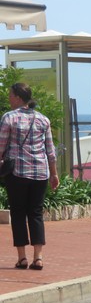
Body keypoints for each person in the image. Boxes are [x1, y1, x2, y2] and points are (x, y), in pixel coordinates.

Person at [0, 83, 59, 270]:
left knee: (18, 213)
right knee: (35, 213)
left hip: (17, 172)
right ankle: (39, 257)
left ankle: (22, 258)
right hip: (40, 173)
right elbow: (50, 150)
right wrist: (54, 174)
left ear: (18, 97)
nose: (9, 98)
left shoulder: (9, 118)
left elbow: (1, 147)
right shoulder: (43, 119)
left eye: (10, 95)